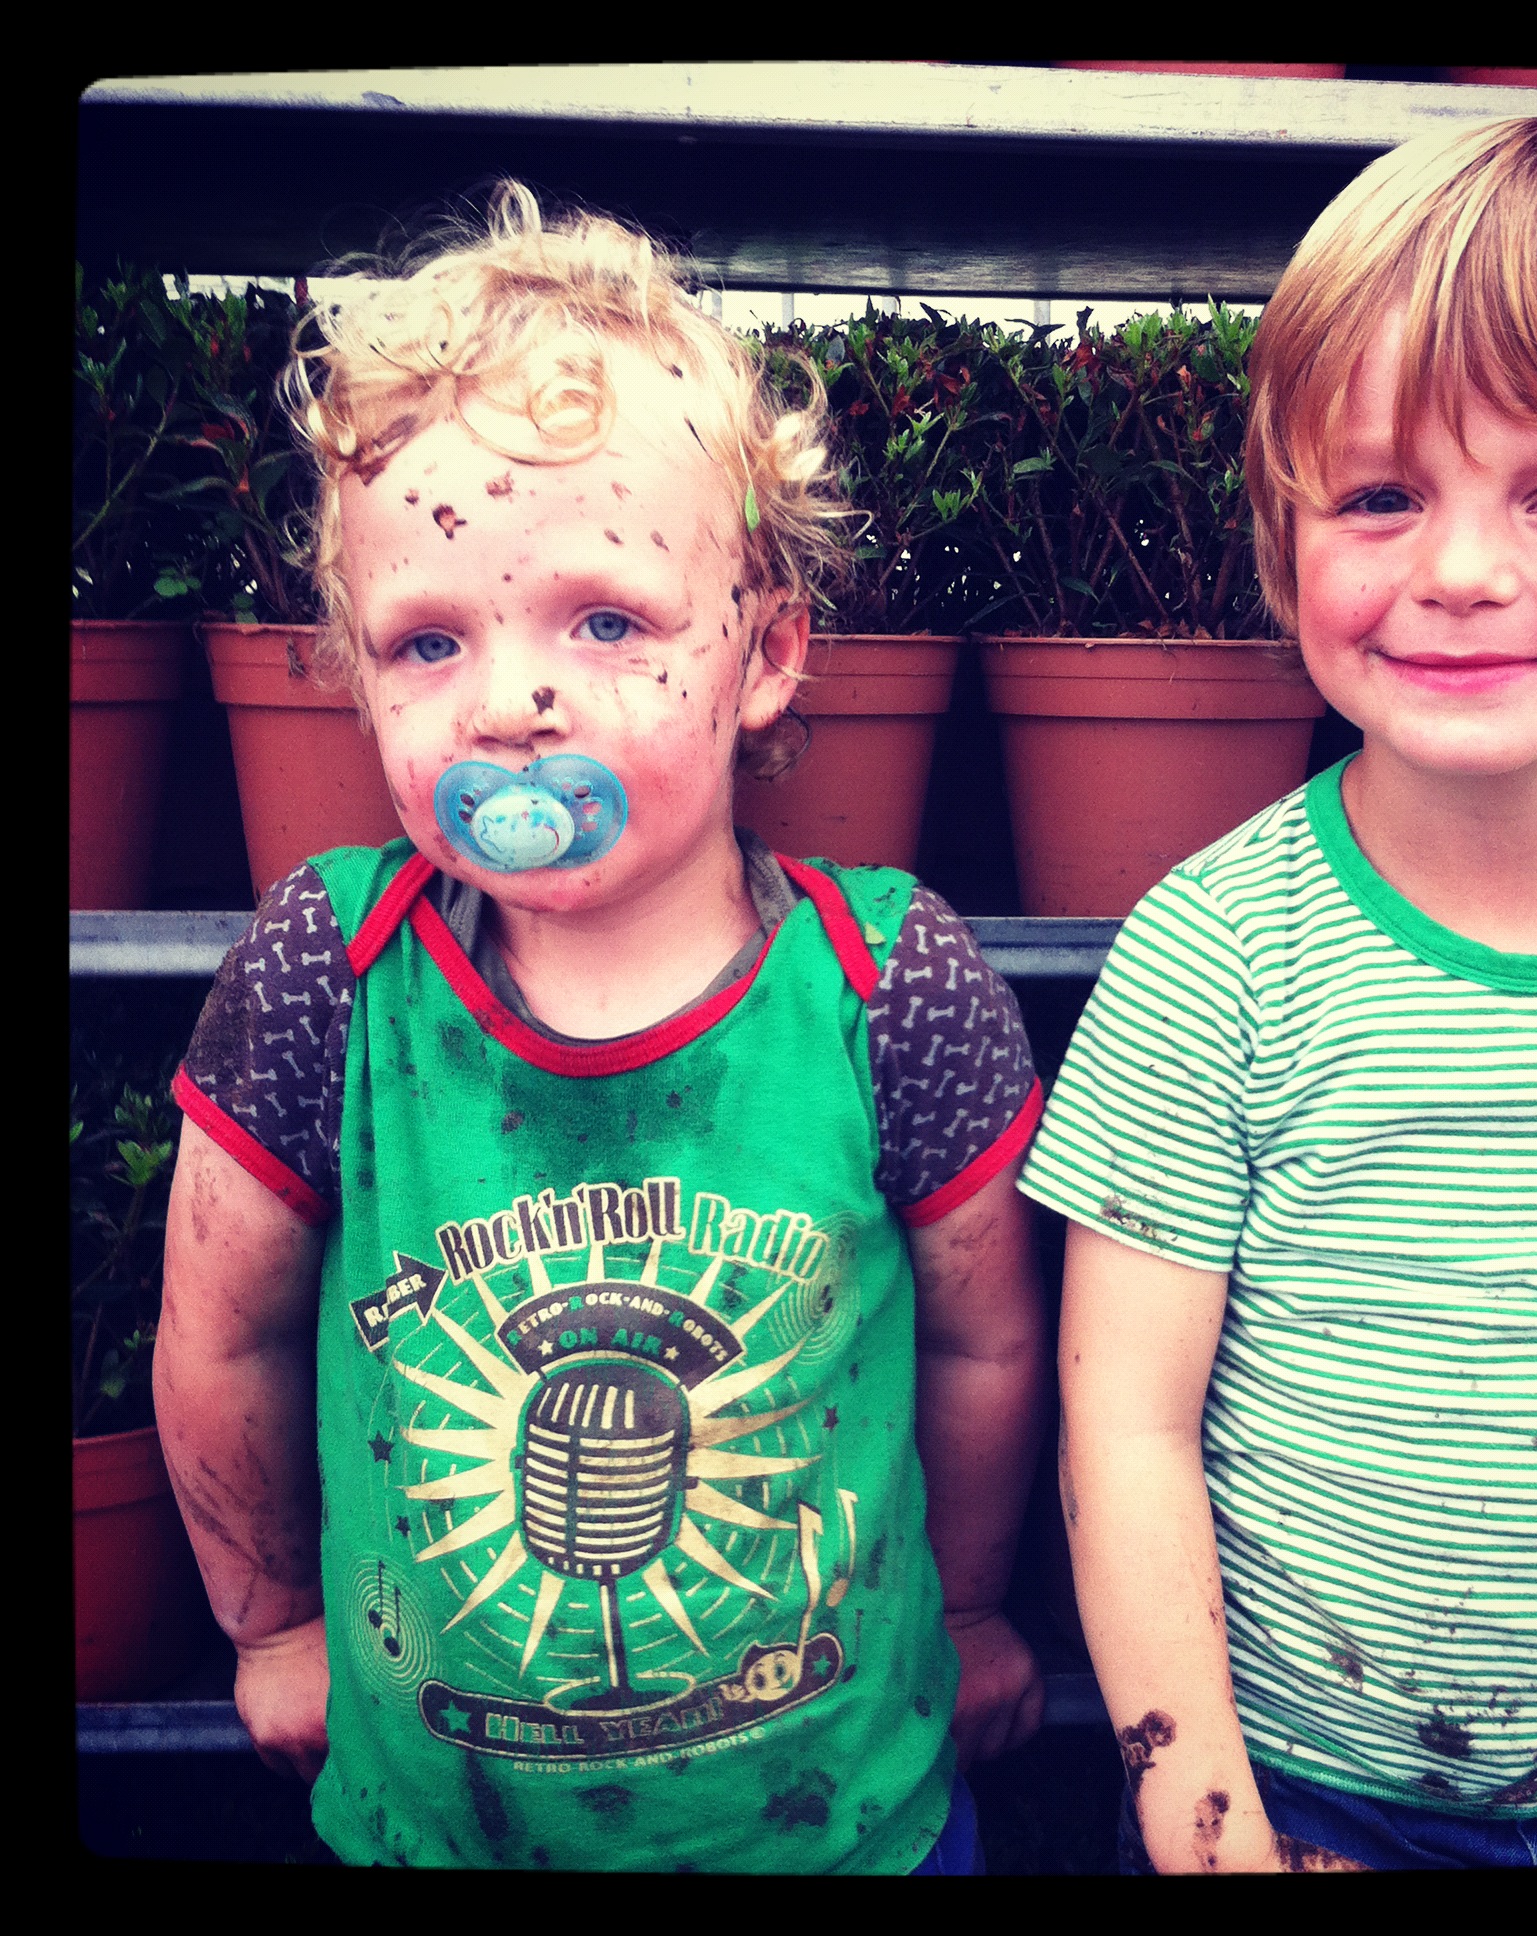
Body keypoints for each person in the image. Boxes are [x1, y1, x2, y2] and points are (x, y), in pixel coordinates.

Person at [155, 182, 1048, 1873]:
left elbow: (983, 1348)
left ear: (765, 654)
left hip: (850, 1826)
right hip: (439, 1827)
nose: (511, 701)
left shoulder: (889, 986)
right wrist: (270, 1623)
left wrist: (982, 1605)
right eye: (428, 641)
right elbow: (222, 1331)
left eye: (608, 620)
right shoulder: (327, 974)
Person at [1024, 117, 1537, 1871]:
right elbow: (1126, 1427)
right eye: (1381, 495)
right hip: (1290, 1799)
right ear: (1290, 545)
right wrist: (1210, 1832)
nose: (1461, 570)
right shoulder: (1213, 951)